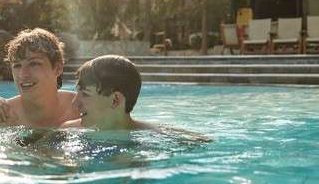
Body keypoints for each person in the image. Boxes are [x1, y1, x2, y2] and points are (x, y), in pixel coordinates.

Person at [61, 55, 210, 141]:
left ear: (115, 100)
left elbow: (204, 142)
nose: (74, 102)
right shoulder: (66, 132)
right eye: (77, 92)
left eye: (85, 94)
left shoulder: (156, 135)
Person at [0, 28, 79, 128]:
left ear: (57, 68)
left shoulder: (82, 108)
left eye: (34, 64)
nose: (23, 74)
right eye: (17, 66)